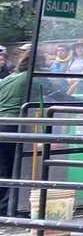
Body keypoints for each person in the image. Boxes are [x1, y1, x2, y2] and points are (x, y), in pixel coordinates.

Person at [0, 48, 52, 217]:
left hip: (2, 124)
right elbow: (59, 96)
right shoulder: (33, 78)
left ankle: (4, 209)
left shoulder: (10, 77)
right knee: (15, 168)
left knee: (4, 168)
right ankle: (9, 209)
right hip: (14, 126)